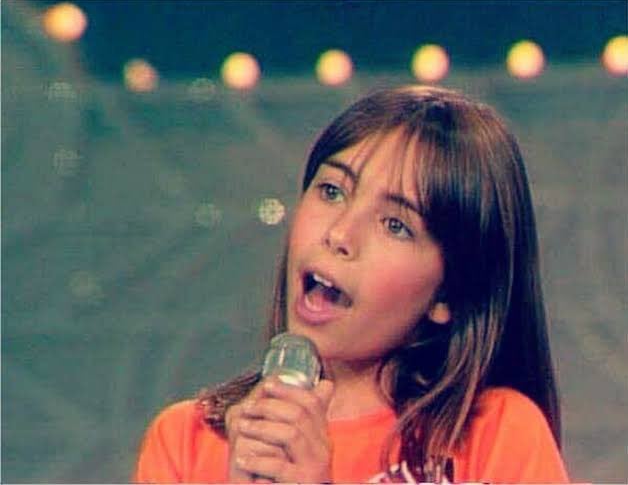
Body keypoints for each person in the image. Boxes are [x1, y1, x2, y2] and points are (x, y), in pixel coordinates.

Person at [133, 85, 569, 483]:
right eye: (332, 191)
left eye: (395, 225)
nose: (340, 234)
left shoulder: (495, 435)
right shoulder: (186, 442)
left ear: (449, 293)